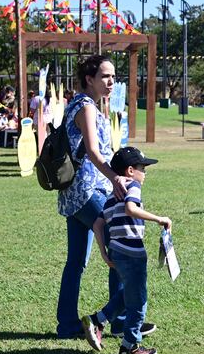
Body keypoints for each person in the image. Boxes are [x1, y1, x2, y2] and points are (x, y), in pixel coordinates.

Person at [55, 55, 150, 339]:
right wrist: (115, 177)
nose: (111, 82)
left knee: (76, 262)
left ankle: (67, 325)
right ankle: (119, 319)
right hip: (87, 191)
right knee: (122, 247)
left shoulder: (82, 104)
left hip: (73, 194)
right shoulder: (86, 107)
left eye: (113, 76)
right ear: (89, 79)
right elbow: (94, 153)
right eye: (105, 76)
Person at [81, 146, 171, 354]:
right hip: (132, 252)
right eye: (143, 168)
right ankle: (130, 346)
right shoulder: (133, 185)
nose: (145, 173)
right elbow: (131, 209)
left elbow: (97, 224)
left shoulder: (112, 195)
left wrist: (104, 252)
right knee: (139, 301)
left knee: (128, 292)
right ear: (130, 170)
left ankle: (97, 320)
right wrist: (159, 219)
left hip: (116, 252)